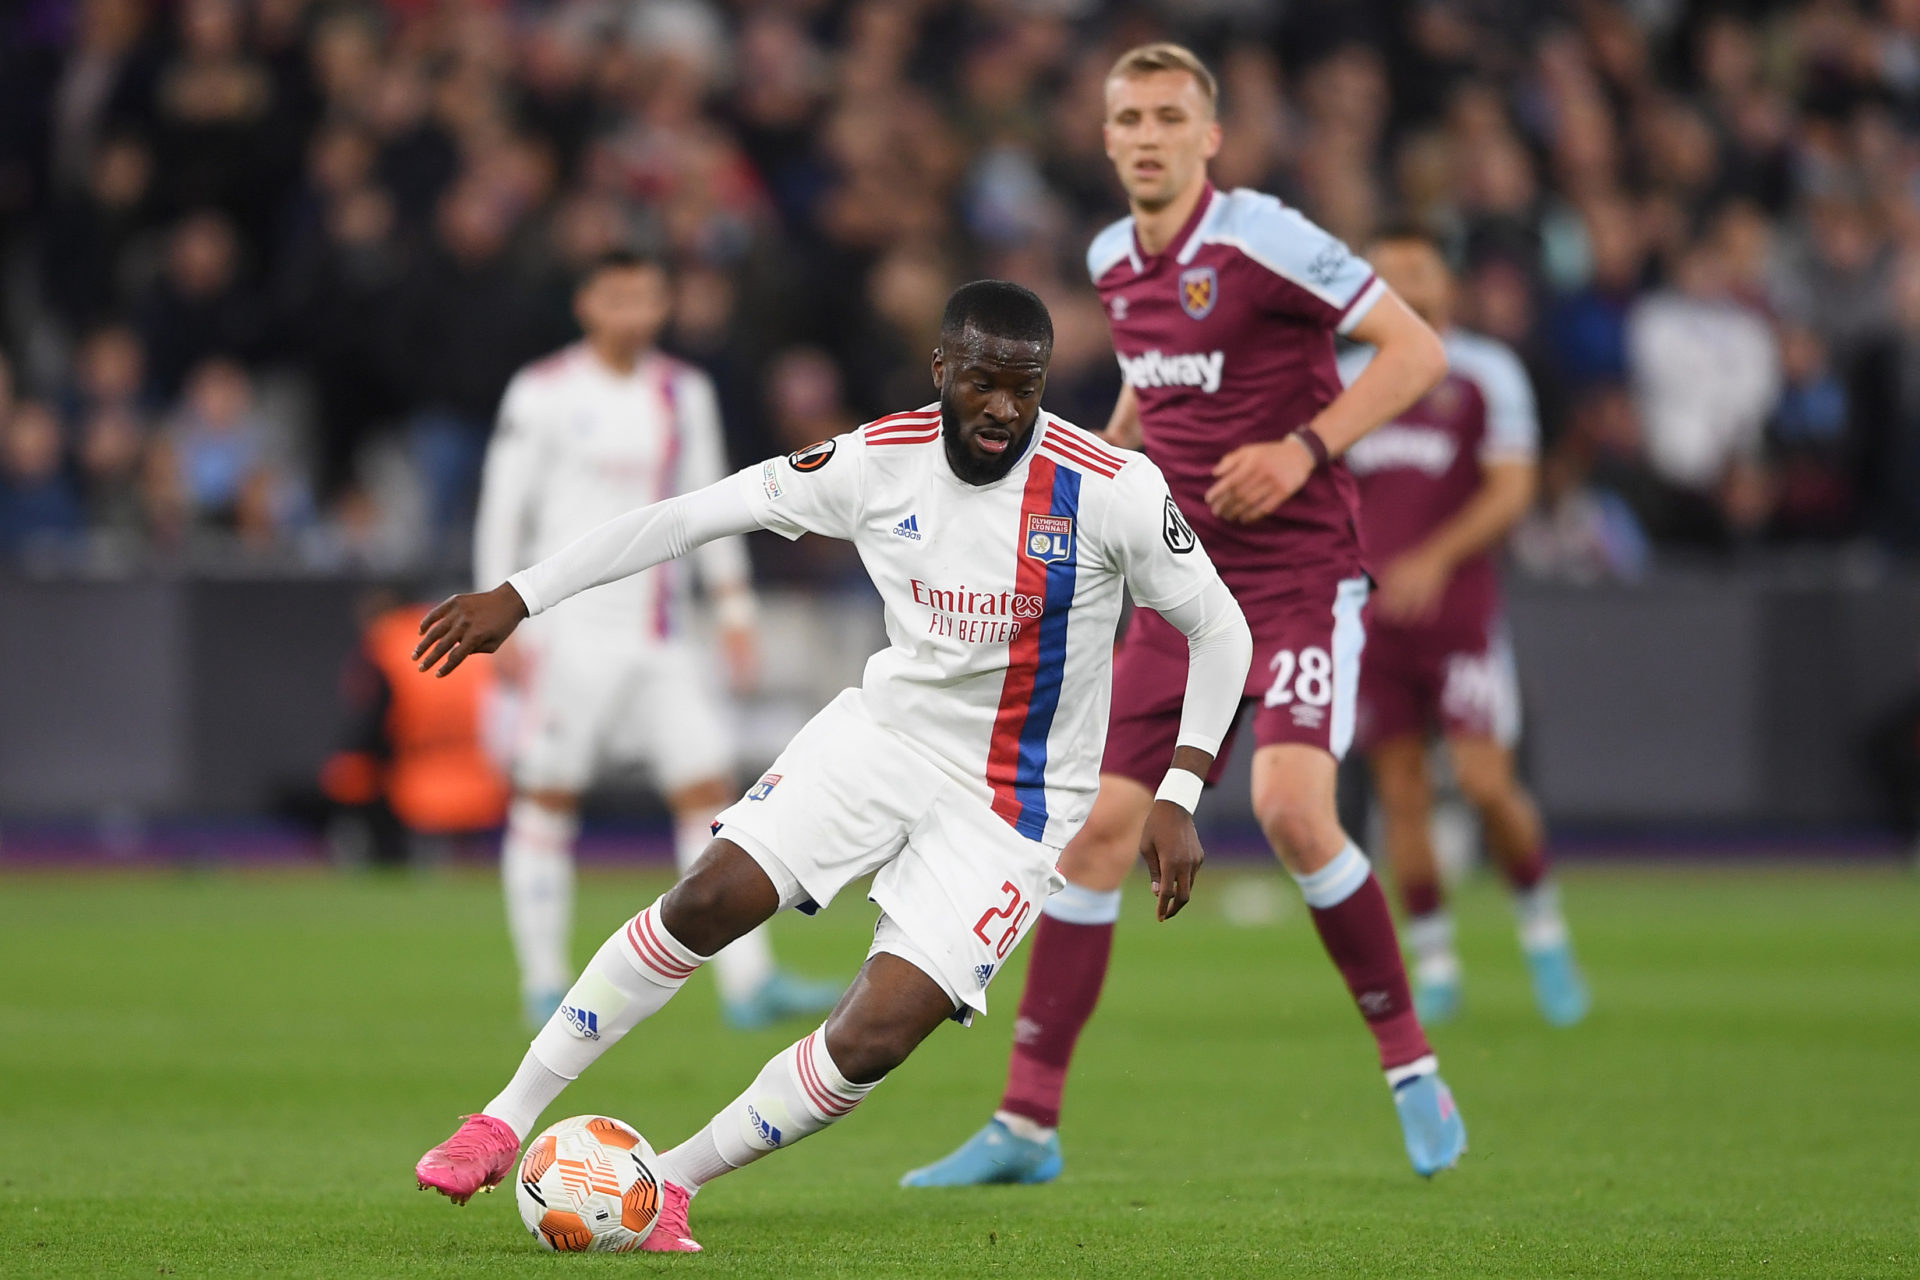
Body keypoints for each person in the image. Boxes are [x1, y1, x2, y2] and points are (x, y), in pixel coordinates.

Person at [410, 280, 1255, 1253]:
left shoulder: (1111, 487)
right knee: (708, 899)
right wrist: (521, 592)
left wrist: (1180, 788)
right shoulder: (872, 461)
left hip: (1018, 808)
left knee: (875, 1035)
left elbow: (1220, 627)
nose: (1003, 409)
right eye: (983, 382)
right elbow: (691, 516)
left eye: (1024, 389)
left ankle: (670, 1183)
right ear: (941, 369)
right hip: (883, 739)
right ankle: (502, 1117)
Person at [903, 44, 1462, 1188]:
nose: (1147, 135)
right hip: (1182, 586)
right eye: (1128, 118)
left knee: (1293, 811)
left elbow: (1417, 350)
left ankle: (1411, 1066)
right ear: (1104, 138)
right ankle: (1027, 1122)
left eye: (1169, 116)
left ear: (1210, 137)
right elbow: (1150, 395)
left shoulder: (1264, 239)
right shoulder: (1113, 258)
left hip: (1304, 576)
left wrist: (1307, 447)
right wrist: (1089, 478)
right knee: (1098, 833)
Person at [472, 249, 836, 1031]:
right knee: (547, 797)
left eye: (647, 298)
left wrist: (734, 610)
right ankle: (544, 982)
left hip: (664, 633)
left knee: (713, 800)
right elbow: (504, 508)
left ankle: (748, 983)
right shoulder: (541, 394)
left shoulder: (684, 391)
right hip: (568, 631)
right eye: (618, 298)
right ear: (587, 304)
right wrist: (500, 615)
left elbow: (723, 503)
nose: (633, 313)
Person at [1340, 225, 1589, 1027]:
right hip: (1374, 621)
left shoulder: (1486, 372)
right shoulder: (1343, 380)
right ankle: (1437, 961)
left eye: (1417, 269)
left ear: (1448, 284)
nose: (1404, 282)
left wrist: (1432, 559)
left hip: (1459, 616)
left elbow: (1512, 490)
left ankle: (1543, 929)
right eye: (1387, 272)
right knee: (1400, 795)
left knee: (1486, 781)